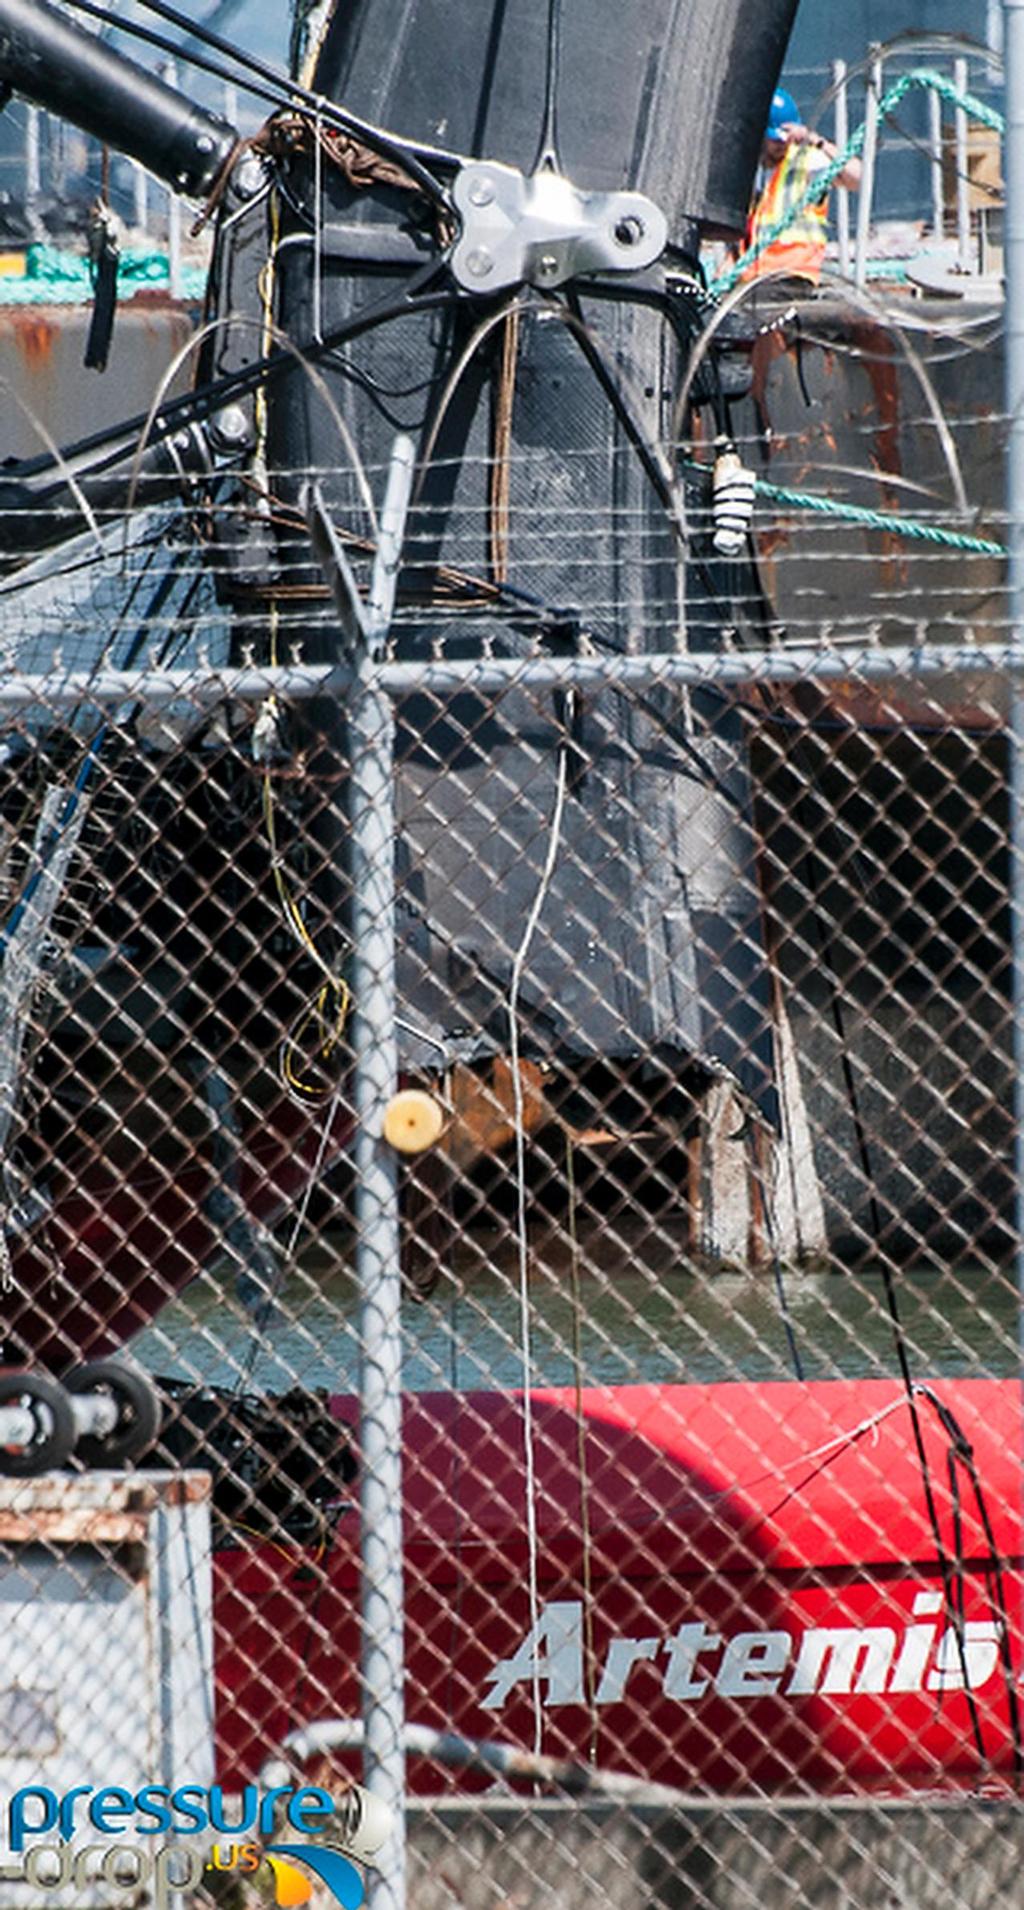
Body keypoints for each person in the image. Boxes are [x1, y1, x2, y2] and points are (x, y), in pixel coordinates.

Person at [739, 86, 862, 289]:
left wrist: (817, 141)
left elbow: (857, 178)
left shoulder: (807, 162)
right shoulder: (748, 169)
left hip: (793, 276)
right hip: (751, 278)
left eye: (785, 138)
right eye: (775, 139)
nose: (782, 144)